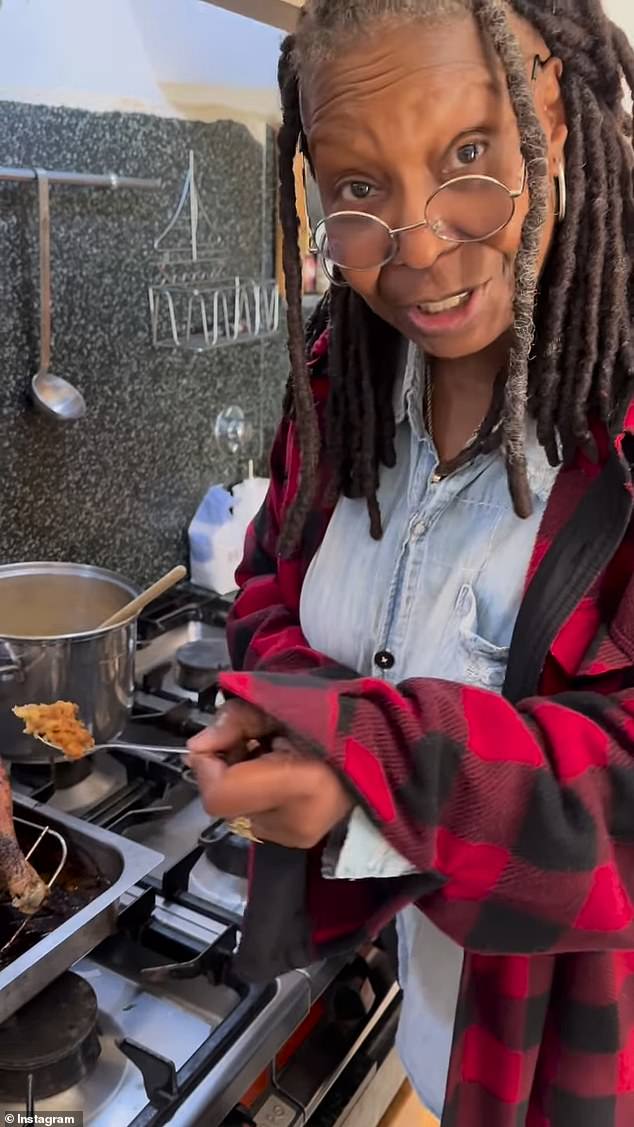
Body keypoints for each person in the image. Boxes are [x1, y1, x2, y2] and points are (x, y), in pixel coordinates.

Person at [186, 1, 634, 1123]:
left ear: (559, 124)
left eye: (469, 155)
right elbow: (263, 583)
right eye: (358, 189)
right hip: (444, 1028)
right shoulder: (341, 385)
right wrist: (304, 720)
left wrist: (373, 763)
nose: (419, 246)